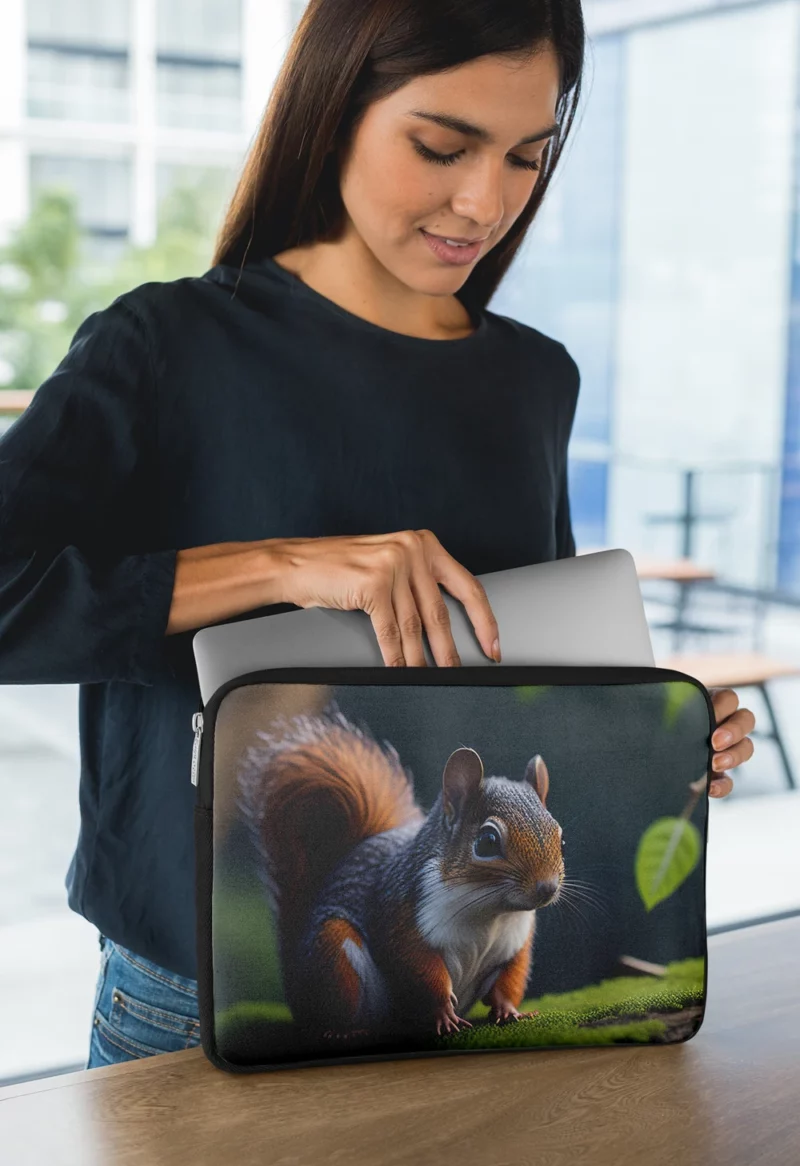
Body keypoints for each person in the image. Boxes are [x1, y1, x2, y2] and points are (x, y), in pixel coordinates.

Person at [0, 0, 755, 1070]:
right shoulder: (163, 345)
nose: (482, 201)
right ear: (332, 108)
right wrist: (289, 566)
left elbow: (519, 658)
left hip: (456, 1001)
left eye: (525, 158)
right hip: (193, 1004)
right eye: (439, 146)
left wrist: (679, 726)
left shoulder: (535, 379)